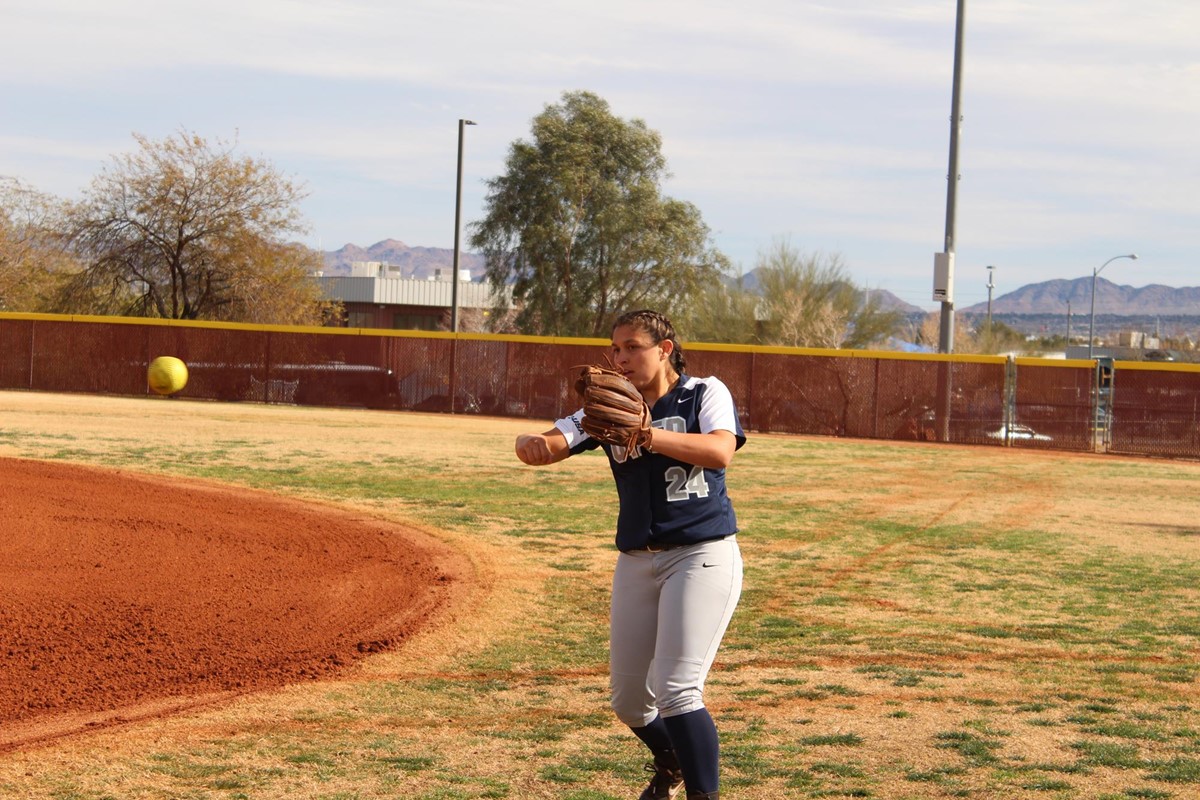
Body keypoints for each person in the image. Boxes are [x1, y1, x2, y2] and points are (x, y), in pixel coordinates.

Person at [515, 309, 745, 800]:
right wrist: (532, 445)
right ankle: (670, 761)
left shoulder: (704, 391)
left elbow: (720, 451)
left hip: (701, 554)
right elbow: (554, 439)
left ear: (664, 349)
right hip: (638, 559)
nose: (620, 359)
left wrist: (646, 434)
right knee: (628, 702)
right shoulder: (610, 405)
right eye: (615, 349)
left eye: (632, 347)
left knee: (677, 688)